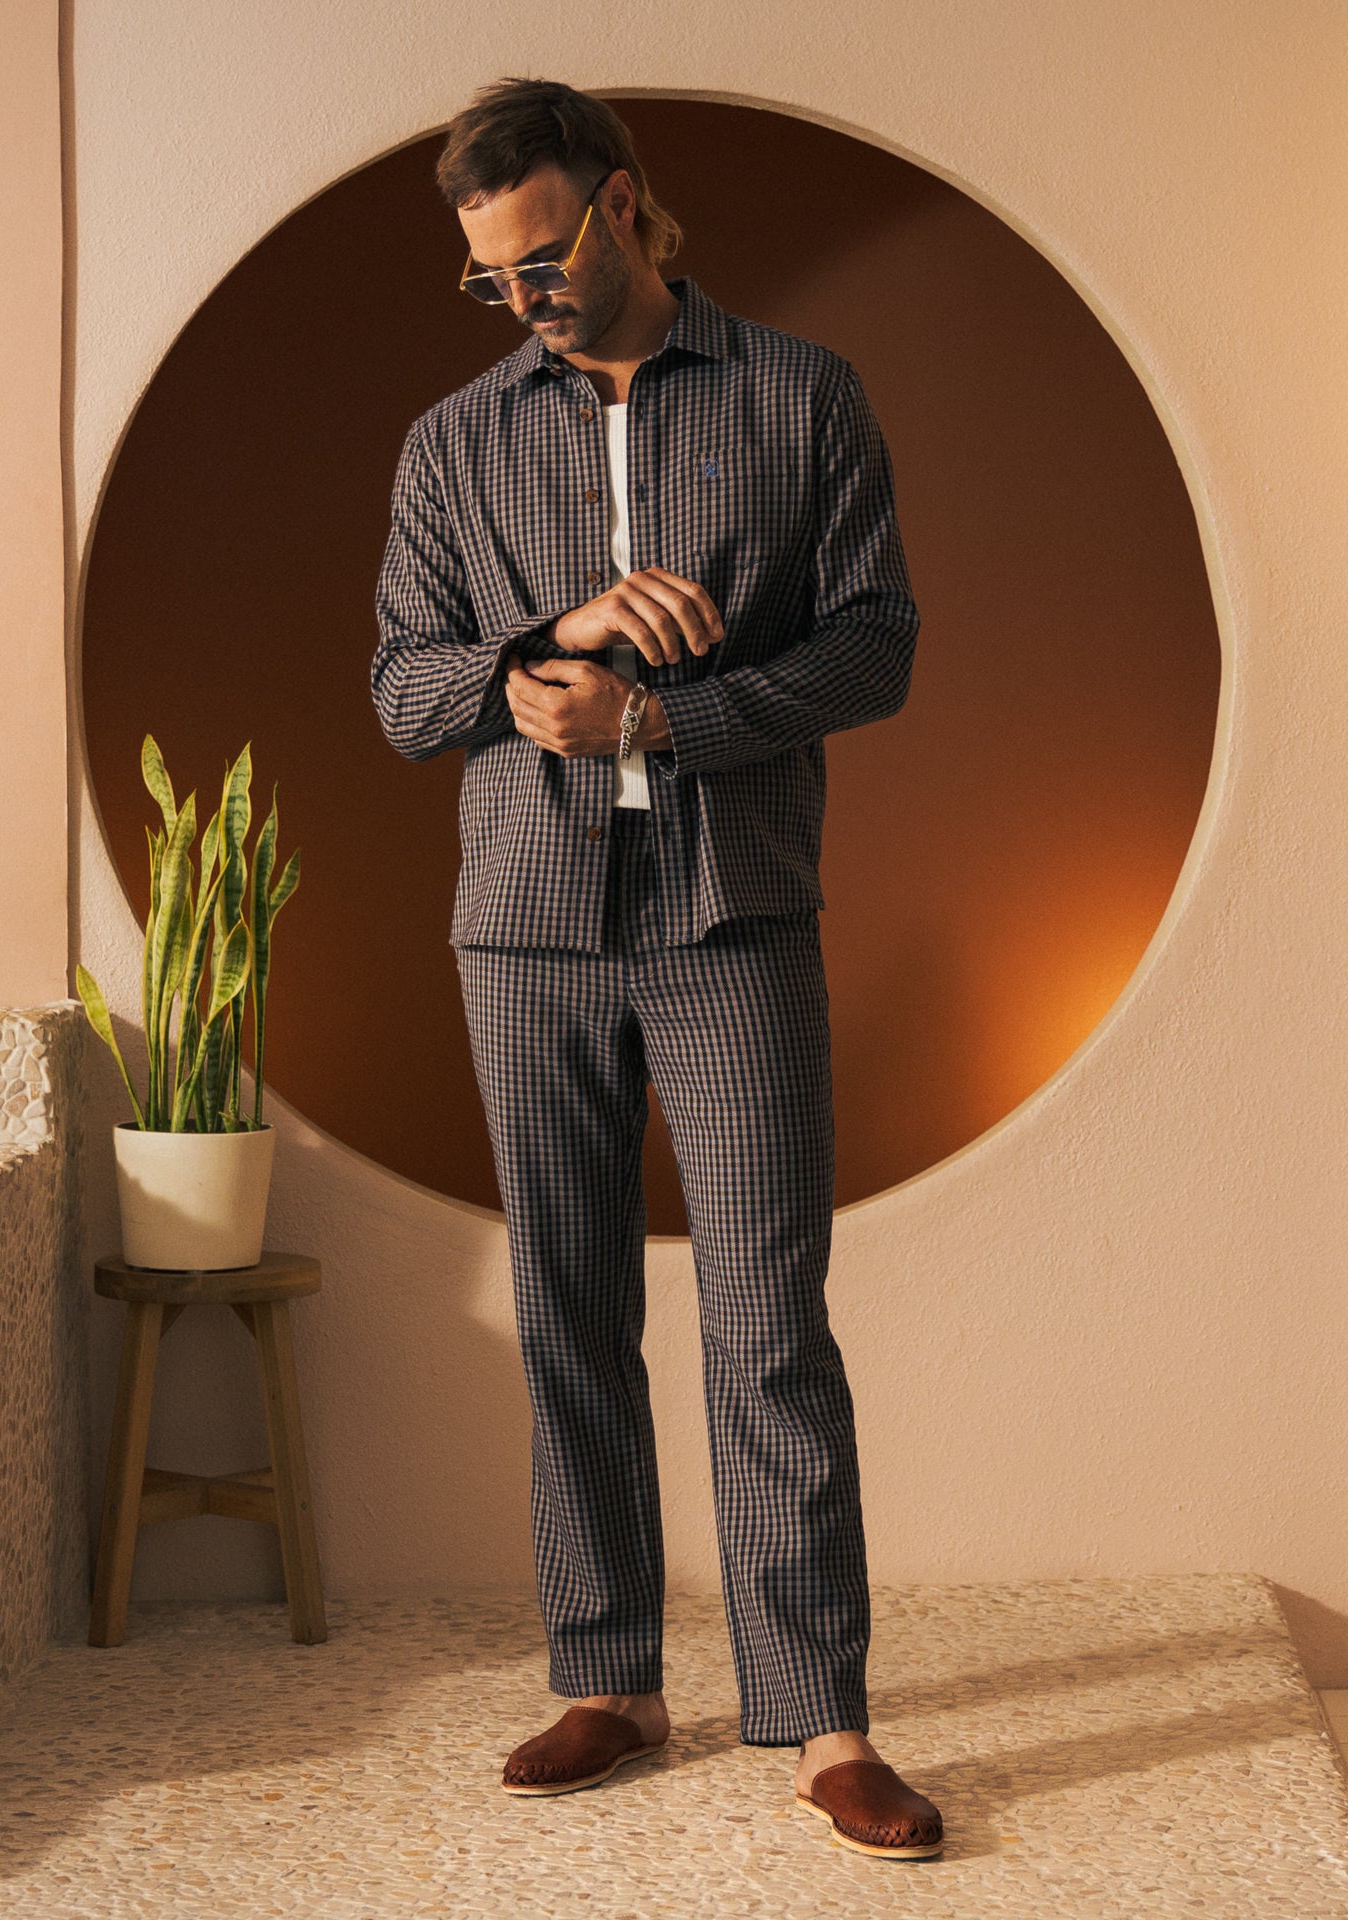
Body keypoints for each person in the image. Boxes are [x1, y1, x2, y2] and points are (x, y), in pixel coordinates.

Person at [371, 77, 943, 1861]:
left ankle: (824, 1719)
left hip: (736, 915)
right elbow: (403, 689)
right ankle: (611, 1676)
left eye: (541, 262)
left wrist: (668, 718)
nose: (522, 300)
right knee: (568, 1309)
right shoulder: (451, 446)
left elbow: (880, 648)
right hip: (526, 926)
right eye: (490, 283)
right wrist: (551, 642)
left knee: (768, 1320)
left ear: (622, 207)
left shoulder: (800, 397)